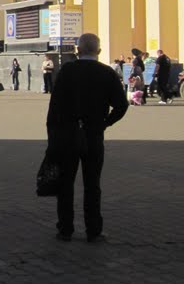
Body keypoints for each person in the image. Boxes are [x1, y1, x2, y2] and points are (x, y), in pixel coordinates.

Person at [46, 32, 128, 242]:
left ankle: (65, 230)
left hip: (68, 135)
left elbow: (54, 107)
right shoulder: (107, 73)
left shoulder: (67, 71)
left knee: (66, 184)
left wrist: (53, 135)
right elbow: (121, 105)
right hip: (93, 135)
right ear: (99, 52)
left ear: (78, 50)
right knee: (92, 184)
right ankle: (93, 230)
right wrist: (105, 123)